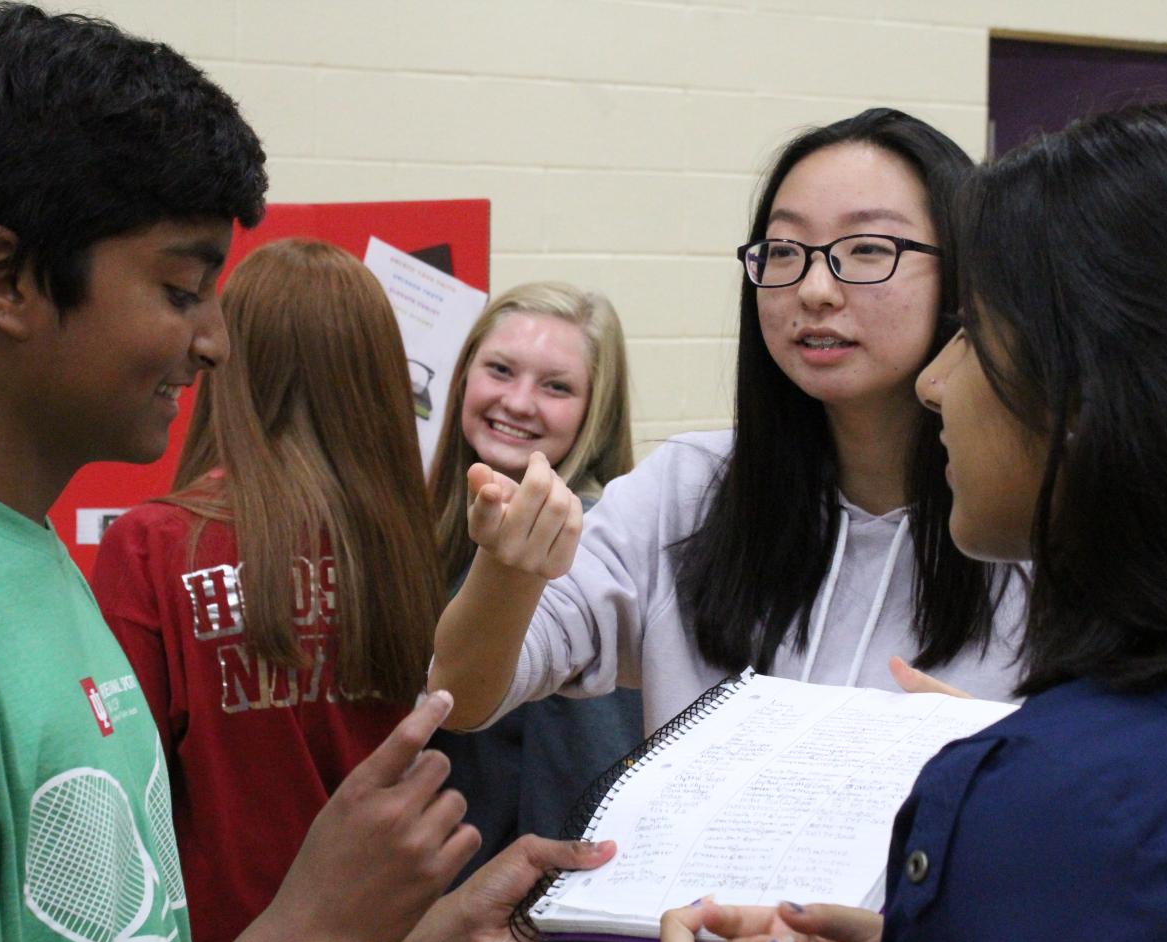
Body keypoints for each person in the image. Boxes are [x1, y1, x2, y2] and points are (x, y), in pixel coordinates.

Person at [0, 7, 611, 942]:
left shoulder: (25, 564)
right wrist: (311, 930)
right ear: (5, 280)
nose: (213, 344)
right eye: (180, 289)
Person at [660, 101, 1167, 942]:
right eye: (787, 254)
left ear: (1099, 392)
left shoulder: (1060, 800)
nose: (936, 383)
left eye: (973, 331)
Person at [430, 108, 1025, 738]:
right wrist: (507, 567)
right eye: (785, 250)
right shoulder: (686, 490)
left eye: (868, 249)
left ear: (964, 274)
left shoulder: (1032, 523)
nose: (815, 289)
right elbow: (461, 698)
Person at [90, 237, 444, 942]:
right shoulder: (417, 548)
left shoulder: (154, 544)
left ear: (229, 362)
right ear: (377, 375)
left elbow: (122, 800)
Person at [425, 282, 645, 942]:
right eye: (499, 371)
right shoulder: (425, 533)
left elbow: (576, 777)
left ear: (593, 412)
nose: (518, 402)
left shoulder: (595, 560)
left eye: (555, 386)